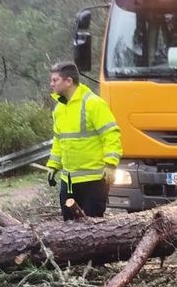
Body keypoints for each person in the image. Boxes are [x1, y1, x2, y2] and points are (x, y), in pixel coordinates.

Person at [44, 62, 122, 220]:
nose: (51, 84)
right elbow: (59, 141)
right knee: (69, 227)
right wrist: (53, 166)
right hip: (70, 180)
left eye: (55, 80)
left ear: (68, 81)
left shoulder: (93, 103)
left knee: (92, 228)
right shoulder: (59, 109)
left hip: (94, 180)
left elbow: (111, 134)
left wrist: (111, 164)